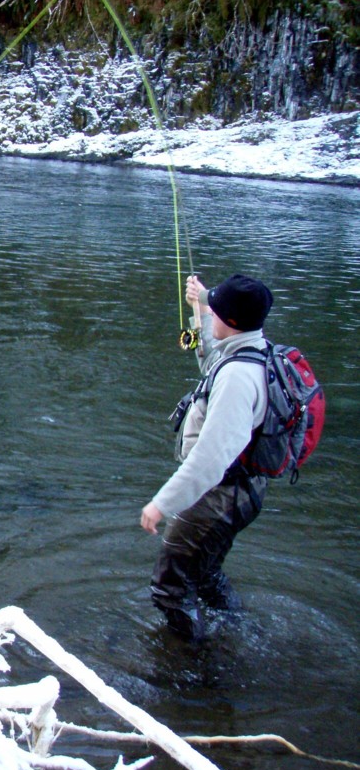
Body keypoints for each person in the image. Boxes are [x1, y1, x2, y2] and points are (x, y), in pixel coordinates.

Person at [141, 273, 274, 641]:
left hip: (219, 495)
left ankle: (190, 671)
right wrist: (200, 307)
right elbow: (212, 361)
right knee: (204, 574)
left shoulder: (237, 378)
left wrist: (161, 504)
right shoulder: (253, 350)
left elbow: (210, 459)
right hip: (244, 489)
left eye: (215, 310)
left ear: (230, 321)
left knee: (169, 588)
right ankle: (235, 634)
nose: (210, 313)